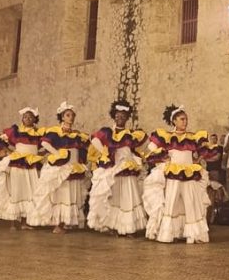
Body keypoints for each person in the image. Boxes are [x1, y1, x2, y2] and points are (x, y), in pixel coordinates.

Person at [143, 104, 214, 244]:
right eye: (182, 119)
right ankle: (169, 233)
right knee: (171, 202)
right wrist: (163, 158)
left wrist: (197, 159)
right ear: (174, 121)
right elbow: (151, 149)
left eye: (186, 119)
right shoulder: (167, 136)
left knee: (191, 202)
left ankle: (193, 235)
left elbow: (204, 151)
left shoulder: (192, 137)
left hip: (189, 173)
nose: (185, 122)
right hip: (173, 173)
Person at [87, 100, 148, 236]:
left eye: (123, 116)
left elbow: (135, 147)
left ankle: (129, 227)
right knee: (114, 196)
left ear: (127, 118)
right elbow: (95, 140)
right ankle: (113, 225)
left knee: (128, 195)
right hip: (114, 166)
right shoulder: (108, 132)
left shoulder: (131, 134)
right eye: (117, 116)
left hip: (127, 165)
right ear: (114, 117)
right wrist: (104, 153)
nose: (120, 118)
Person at [28, 104, 90, 233]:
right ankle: (58, 224)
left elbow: (83, 147)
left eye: (73, 115)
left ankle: (67, 221)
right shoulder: (55, 131)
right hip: (61, 165)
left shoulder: (76, 134)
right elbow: (45, 143)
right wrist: (56, 154)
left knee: (71, 193)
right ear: (62, 117)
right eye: (68, 115)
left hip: (73, 164)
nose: (71, 118)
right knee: (61, 193)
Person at [0, 107, 44, 228]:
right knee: (16, 191)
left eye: (30, 117)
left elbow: (43, 145)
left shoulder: (39, 133)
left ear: (35, 119)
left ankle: (24, 222)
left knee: (29, 192)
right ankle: (12, 222)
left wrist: (44, 154)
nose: (27, 119)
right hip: (17, 162)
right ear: (22, 119)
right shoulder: (15, 131)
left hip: (32, 163)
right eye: (25, 117)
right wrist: (9, 152)